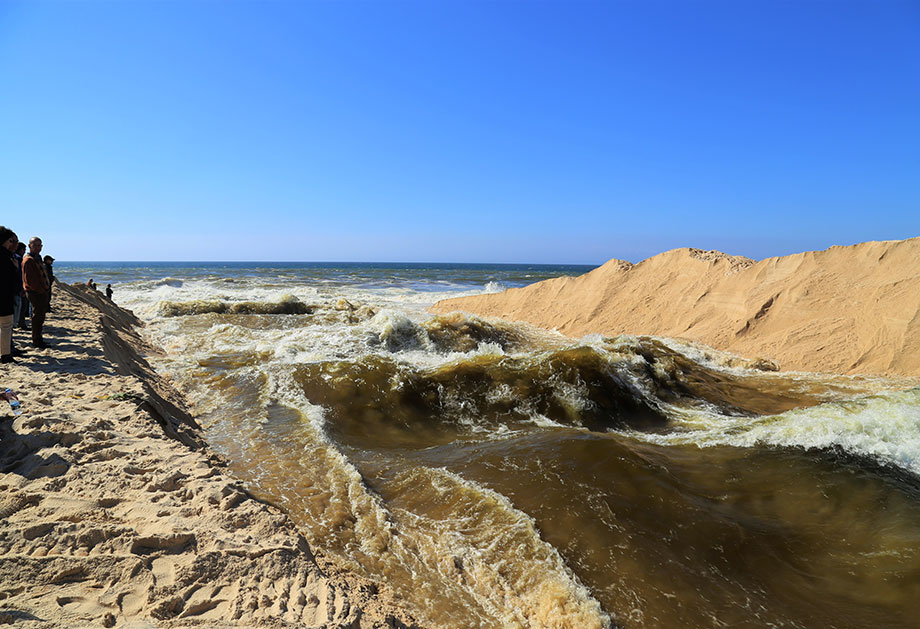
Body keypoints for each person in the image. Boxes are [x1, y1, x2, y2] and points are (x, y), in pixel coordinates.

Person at [22, 237, 50, 349]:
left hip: (41, 291)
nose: (38, 247)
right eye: (35, 245)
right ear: (30, 246)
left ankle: (38, 338)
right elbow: (30, 280)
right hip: (35, 292)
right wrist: (41, 289)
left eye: (39, 245)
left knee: (40, 316)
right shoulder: (28, 260)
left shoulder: (37, 258)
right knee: (37, 316)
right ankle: (36, 340)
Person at [0, 227, 21, 363]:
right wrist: (15, 268)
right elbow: (11, 281)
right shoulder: (7, 258)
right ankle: (5, 355)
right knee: (6, 326)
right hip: (4, 297)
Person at [14, 242, 29, 329]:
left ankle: (19, 323)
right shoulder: (19, 259)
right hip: (19, 286)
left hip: (16, 286)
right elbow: (21, 274)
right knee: (22, 306)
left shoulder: (13, 257)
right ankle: (21, 324)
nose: (24, 252)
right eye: (24, 250)